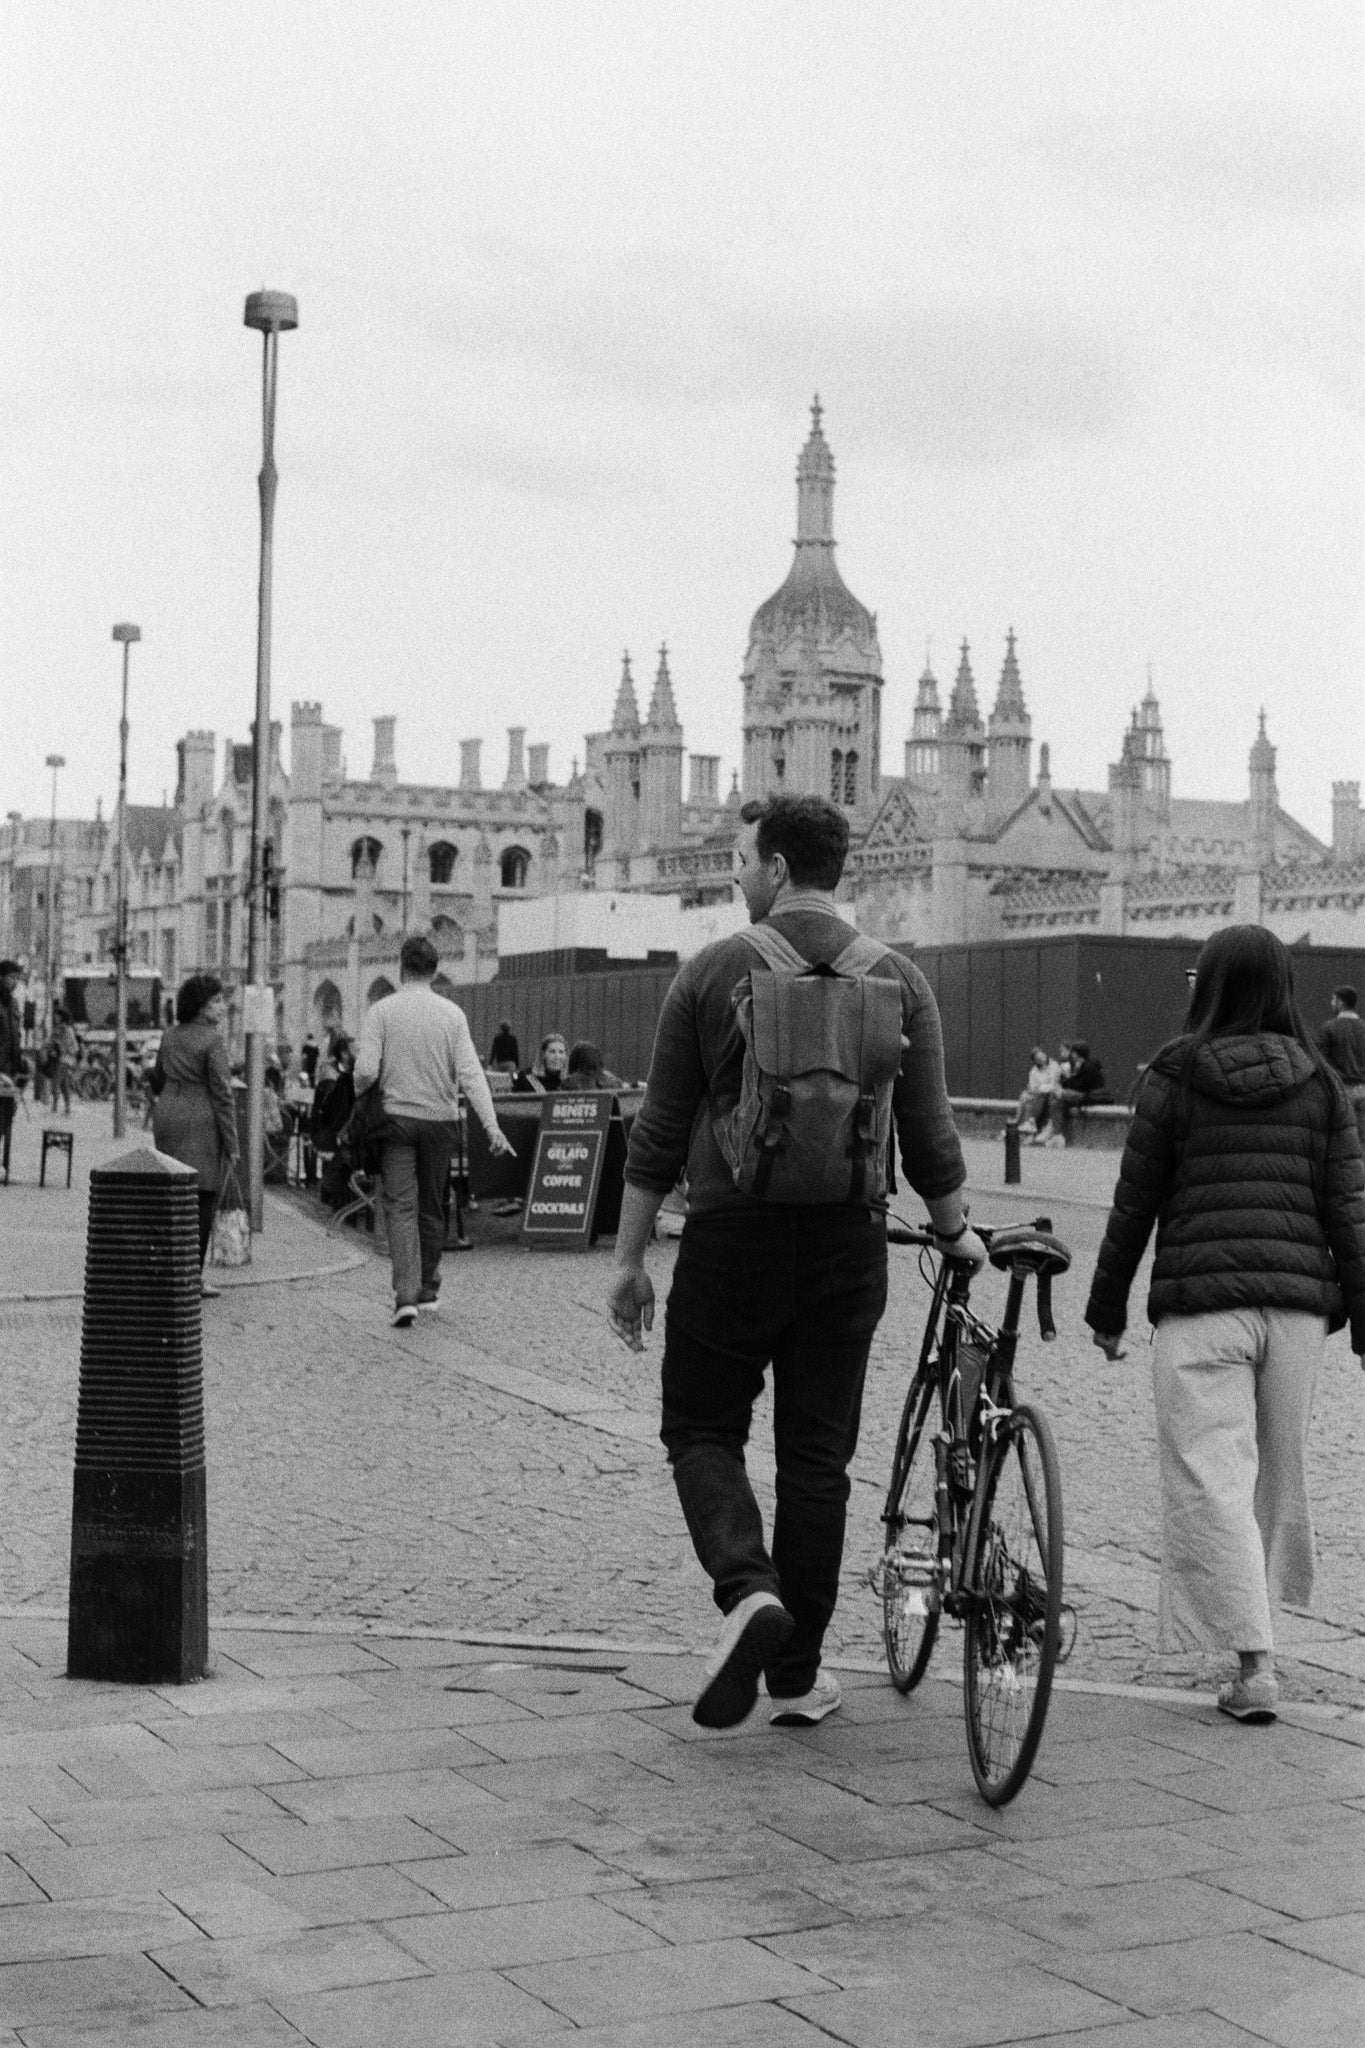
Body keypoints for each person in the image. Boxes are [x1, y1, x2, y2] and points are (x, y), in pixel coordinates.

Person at [606, 793, 984, 1731]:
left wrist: (627, 1261)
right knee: (818, 1463)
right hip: (844, 1245)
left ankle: (745, 1589)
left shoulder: (708, 972)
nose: (736, 877)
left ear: (776, 870)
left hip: (731, 1240)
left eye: (741, 862)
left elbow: (656, 1135)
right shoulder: (899, 978)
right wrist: (952, 1232)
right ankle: (797, 1674)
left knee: (699, 1427)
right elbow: (929, 1134)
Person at [1086, 925, 1365, 1724]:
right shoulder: (1319, 1084)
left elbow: (1133, 1202)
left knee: (1210, 1479)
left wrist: (1106, 1311)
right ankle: (1260, 1645)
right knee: (1276, 1476)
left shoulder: (1172, 1075)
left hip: (1200, 1309)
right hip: (1294, 1315)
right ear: (1284, 988)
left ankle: (1254, 1662)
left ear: (1204, 986)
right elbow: (1346, 1213)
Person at [355, 933, 515, 1328]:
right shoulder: (452, 1015)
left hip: (395, 1120)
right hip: (440, 1122)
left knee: (400, 1205)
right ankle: (428, 1287)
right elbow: (470, 1074)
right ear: (435, 969)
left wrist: (365, 1092)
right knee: (432, 1203)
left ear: (401, 967)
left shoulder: (381, 1011)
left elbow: (365, 1071)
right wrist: (491, 1126)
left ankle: (405, 1294)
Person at [151, 973, 240, 1299]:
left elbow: (157, 1076)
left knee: (172, 1195)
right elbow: (223, 1093)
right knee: (202, 1197)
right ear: (202, 1007)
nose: (221, 1006)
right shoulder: (213, 1039)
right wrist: (232, 1143)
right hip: (200, 1119)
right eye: (216, 1001)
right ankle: (192, 1278)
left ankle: (166, 1271)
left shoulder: (170, 1034)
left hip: (167, 1114)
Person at [1318, 985, 1365, 1152]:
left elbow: (1322, 1062)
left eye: (1333, 999)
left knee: (1341, 1145)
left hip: (1340, 1091)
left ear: (1339, 1002)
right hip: (1363, 1091)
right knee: (1362, 1143)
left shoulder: (1329, 1028)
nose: (1331, 1003)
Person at [1045, 1039, 1109, 1147]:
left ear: (1077, 1053)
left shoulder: (1087, 1066)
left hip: (1089, 1096)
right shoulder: (1083, 1064)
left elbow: (1081, 1085)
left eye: (1073, 1052)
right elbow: (1077, 1082)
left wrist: (1065, 1084)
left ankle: (1056, 1134)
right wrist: (1066, 1083)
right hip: (1086, 1094)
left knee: (1056, 1096)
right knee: (1056, 1101)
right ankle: (1055, 1134)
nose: (1071, 1054)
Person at [0, 961, 27, 1174]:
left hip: (9, 1068)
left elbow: (16, 1036)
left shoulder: (14, 1004)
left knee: (8, 1110)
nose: (15, 982)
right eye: (11, 978)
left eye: (17, 978)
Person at [1011, 1044, 1059, 1140]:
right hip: (1037, 1095)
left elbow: (1054, 1085)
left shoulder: (1053, 1066)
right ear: (1035, 1060)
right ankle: (1024, 1124)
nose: (1041, 1058)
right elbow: (1032, 1085)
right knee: (1025, 1096)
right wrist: (1036, 1089)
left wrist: (1040, 1088)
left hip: (1050, 1095)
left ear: (1045, 1054)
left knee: (1030, 1097)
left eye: (1041, 1055)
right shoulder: (1034, 1070)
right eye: (1037, 1058)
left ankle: (1019, 1123)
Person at [48, 1005, 78, 1117]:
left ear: (61, 1017)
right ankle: (67, 1107)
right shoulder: (61, 1028)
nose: (55, 1017)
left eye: (57, 1015)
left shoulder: (66, 1029)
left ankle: (55, 1106)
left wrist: (59, 1046)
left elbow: (71, 1046)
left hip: (64, 1059)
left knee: (56, 1081)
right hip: (63, 1059)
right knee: (64, 1084)